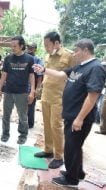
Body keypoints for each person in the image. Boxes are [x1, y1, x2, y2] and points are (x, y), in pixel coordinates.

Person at [33, 38, 105, 187]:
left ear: (85, 50)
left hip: (79, 117)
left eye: (77, 51)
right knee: (75, 146)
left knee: (71, 147)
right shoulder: (80, 67)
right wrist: (44, 70)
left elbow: (93, 96)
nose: (74, 54)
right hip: (71, 115)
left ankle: (71, 180)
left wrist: (79, 118)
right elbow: (61, 75)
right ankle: (77, 172)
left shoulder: (95, 68)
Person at [34, 32, 73, 169]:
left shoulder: (68, 55)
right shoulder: (47, 56)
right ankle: (48, 150)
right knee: (47, 124)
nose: (45, 48)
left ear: (56, 43)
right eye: (44, 45)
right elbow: (47, 73)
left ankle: (58, 156)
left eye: (47, 45)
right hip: (46, 95)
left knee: (56, 126)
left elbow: (73, 76)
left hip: (59, 97)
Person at [0, 36, 35, 144]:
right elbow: (4, 74)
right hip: (8, 91)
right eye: (11, 46)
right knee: (6, 114)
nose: (12, 48)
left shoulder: (29, 59)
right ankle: (5, 133)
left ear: (21, 46)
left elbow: (31, 76)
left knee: (22, 116)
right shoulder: (8, 58)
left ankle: (23, 135)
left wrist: (32, 91)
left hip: (22, 92)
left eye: (15, 46)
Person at [26, 43, 43, 129]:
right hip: (23, 86)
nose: (29, 50)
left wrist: (38, 88)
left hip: (32, 87)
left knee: (31, 106)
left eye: (31, 48)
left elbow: (40, 76)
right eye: (28, 48)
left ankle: (30, 124)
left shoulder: (38, 60)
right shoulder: (23, 58)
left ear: (35, 49)